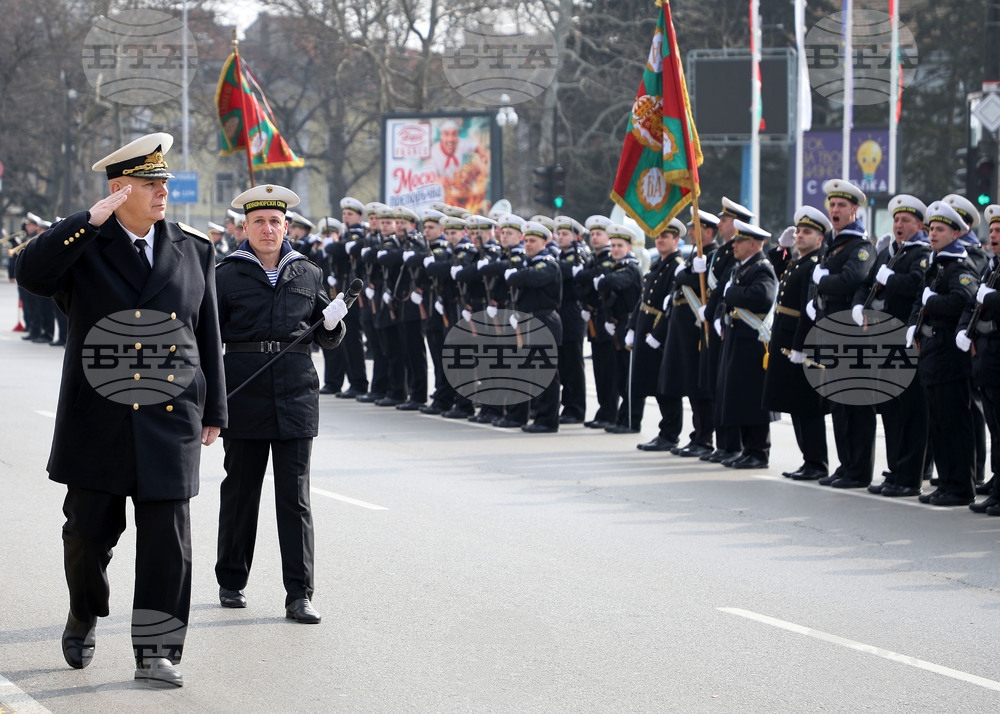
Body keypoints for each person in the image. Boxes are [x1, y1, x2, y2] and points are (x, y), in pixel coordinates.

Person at [15, 132, 227, 687]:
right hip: (99, 416)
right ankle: (84, 612)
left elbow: (205, 336)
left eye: (165, 183)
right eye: (152, 184)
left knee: (168, 542)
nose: (163, 192)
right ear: (120, 189)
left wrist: (215, 410)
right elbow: (30, 274)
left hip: (171, 417)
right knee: (87, 534)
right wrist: (87, 219)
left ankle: (156, 651)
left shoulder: (194, 249)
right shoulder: (84, 246)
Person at [215, 184, 348, 624]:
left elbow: (324, 335)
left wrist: (333, 324)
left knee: (295, 500)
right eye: (258, 222)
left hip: (295, 395)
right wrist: (208, 402)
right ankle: (232, 580)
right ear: (244, 227)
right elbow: (205, 338)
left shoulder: (307, 272)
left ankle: (299, 594)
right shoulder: (225, 274)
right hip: (244, 392)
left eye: (275, 221)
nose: (267, 229)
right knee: (241, 493)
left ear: (286, 226)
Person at [851, 194, 931, 496]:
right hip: (881, 340)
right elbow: (865, 284)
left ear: (919, 225)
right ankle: (896, 470)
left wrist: (891, 278)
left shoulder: (920, 253)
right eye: (896, 220)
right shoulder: (888, 253)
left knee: (910, 411)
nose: (899, 225)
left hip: (904, 341)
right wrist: (859, 307)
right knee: (891, 410)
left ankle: (910, 478)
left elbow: (917, 285)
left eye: (906, 221)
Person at [906, 201, 978, 506]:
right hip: (932, 353)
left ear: (956, 233)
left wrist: (931, 303)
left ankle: (961, 486)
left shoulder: (960, 267)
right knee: (938, 423)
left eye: (940, 229)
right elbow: (919, 302)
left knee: (954, 422)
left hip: (950, 355)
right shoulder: (937, 265)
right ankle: (947, 483)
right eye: (931, 229)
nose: (933, 234)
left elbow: (964, 301)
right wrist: (913, 325)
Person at [809, 179, 876, 488]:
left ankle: (859, 470)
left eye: (841, 206)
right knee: (838, 403)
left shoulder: (861, 246)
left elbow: (851, 280)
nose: (835, 210)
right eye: (832, 205)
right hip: (830, 330)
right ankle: (846, 463)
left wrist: (823, 281)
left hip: (850, 335)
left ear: (854, 210)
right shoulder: (832, 243)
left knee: (855, 404)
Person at [764, 207, 831, 479]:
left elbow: (808, 308)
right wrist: (781, 247)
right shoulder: (799, 262)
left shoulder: (815, 265)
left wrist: (801, 346)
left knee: (806, 404)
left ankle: (817, 462)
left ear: (820, 238)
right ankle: (808, 460)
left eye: (807, 232)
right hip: (785, 337)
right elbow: (777, 269)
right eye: (799, 231)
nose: (801, 236)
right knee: (794, 402)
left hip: (799, 342)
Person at [712, 220, 779, 468]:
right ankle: (748, 448)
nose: (734, 246)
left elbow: (763, 296)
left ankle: (759, 452)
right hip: (738, 339)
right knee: (740, 397)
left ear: (753, 244)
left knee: (752, 399)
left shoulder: (761, 268)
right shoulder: (743, 268)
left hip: (752, 343)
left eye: (739, 242)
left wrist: (730, 294)